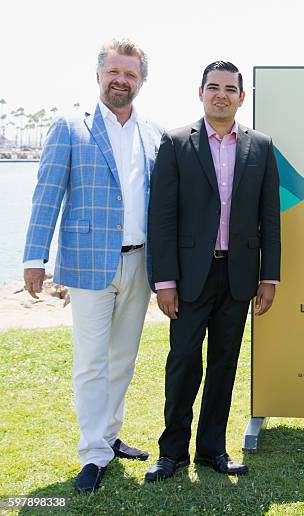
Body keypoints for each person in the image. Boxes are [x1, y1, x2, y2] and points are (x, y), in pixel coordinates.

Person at [23, 39, 163, 494]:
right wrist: (34, 257)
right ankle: (92, 453)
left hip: (139, 264)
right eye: (115, 72)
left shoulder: (153, 134)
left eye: (131, 74)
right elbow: (48, 194)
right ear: (99, 74)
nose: (122, 80)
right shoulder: (69, 126)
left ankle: (109, 436)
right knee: (90, 362)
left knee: (122, 358)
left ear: (141, 81)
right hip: (86, 267)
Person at [145, 61, 280, 481]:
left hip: (238, 277)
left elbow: (269, 217)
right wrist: (164, 281)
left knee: (224, 364)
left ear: (242, 96)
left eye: (230, 88)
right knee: (183, 361)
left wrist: (269, 276)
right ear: (200, 92)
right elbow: (162, 218)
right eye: (213, 87)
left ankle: (211, 451)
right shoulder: (174, 142)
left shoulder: (260, 146)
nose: (221, 94)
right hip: (187, 279)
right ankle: (171, 453)